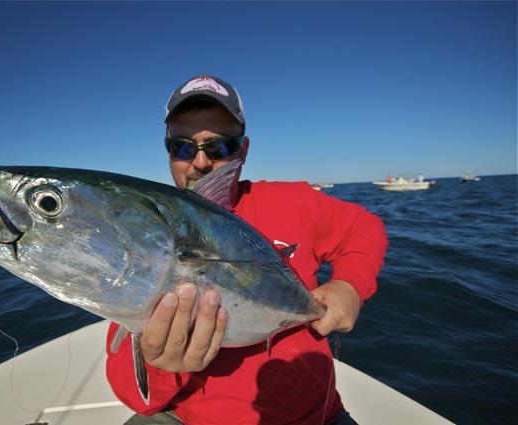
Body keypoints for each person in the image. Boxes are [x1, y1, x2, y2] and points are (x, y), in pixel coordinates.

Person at [106, 75, 388, 425]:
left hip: (313, 416)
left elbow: (364, 228)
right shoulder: (148, 234)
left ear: (243, 149)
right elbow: (137, 396)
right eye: (182, 146)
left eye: (220, 147)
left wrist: (350, 285)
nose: (201, 162)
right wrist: (161, 363)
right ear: (167, 150)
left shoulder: (292, 201)